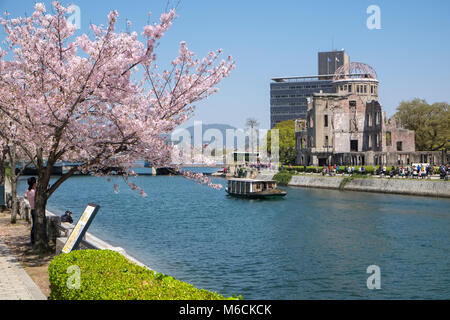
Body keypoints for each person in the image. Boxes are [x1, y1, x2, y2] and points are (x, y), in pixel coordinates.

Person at [24, 177, 37, 245]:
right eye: (36, 182)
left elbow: (25, 196)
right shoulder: (33, 192)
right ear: (34, 183)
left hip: (32, 209)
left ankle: (33, 240)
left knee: (34, 225)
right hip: (36, 210)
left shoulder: (27, 191)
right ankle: (33, 240)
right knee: (35, 226)